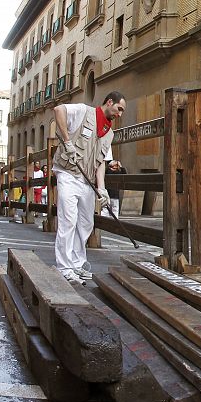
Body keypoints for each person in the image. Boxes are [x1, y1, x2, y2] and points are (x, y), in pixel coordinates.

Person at [53, 91, 126, 283]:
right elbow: (58, 110)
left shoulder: (109, 133)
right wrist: (67, 142)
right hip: (68, 174)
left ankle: (77, 264)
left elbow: (101, 162)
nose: (120, 114)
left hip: (87, 181)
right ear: (109, 102)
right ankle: (64, 267)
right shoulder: (84, 111)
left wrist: (101, 189)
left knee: (86, 223)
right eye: (119, 109)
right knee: (68, 220)